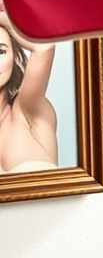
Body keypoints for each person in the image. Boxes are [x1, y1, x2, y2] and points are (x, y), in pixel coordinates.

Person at [0, 9, 58, 173]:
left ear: (14, 57)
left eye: (0, 51)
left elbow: (44, 47)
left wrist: (4, 18)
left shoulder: (28, 111)